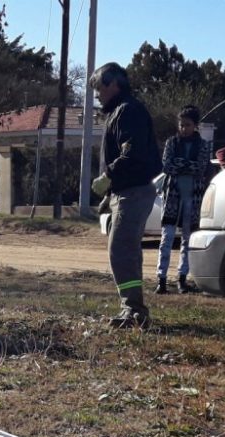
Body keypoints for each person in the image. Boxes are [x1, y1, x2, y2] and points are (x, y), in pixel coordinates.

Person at [90, 62, 162, 329]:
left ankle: (133, 310)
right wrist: (110, 192)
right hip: (126, 192)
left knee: (121, 251)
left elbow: (131, 154)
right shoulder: (121, 111)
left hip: (133, 192)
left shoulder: (128, 111)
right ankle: (132, 308)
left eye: (99, 88)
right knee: (126, 252)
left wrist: (108, 175)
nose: (97, 94)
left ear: (113, 84)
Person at [157, 105, 211, 295]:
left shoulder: (203, 145)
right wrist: (188, 165)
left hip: (193, 197)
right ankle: (161, 279)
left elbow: (201, 167)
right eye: (181, 125)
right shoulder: (171, 142)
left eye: (187, 125)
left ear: (195, 125)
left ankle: (182, 278)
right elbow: (166, 166)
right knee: (167, 237)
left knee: (188, 239)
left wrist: (180, 164)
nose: (183, 128)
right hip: (173, 196)